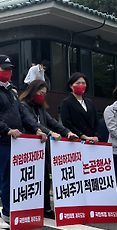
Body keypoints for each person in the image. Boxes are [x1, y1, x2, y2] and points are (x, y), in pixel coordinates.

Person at [0, 55, 46, 230]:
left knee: (9, 179)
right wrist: (7, 129)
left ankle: (8, 211)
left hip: (14, 142)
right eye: (4, 69)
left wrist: (37, 129)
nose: (8, 73)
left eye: (10, 70)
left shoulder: (11, 92)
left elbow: (23, 116)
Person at [19, 79, 78, 218]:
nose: (42, 96)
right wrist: (50, 133)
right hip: (28, 148)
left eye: (44, 94)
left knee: (45, 177)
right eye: (40, 93)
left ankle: (46, 207)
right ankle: (29, 206)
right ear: (33, 92)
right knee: (30, 178)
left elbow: (52, 122)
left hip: (42, 147)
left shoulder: (40, 108)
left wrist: (67, 133)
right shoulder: (23, 106)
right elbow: (31, 123)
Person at [60, 73, 100, 144]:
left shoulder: (90, 102)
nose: (81, 85)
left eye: (83, 83)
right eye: (78, 83)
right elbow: (67, 123)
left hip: (92, 141)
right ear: (71, 86)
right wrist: (83, 136)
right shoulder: (66, 102)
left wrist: (96, 136)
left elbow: (96, 122)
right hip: (76, 141)